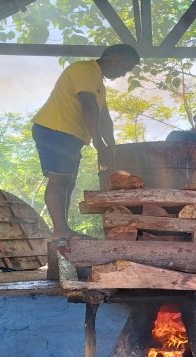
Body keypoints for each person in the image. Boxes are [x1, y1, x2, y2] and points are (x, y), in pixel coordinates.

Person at [32, 44, 140, 240]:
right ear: (115, 57)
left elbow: (104, 117)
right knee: (60, 181)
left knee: (68, 182)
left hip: (69, 135)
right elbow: (89, 106)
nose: (124, 73)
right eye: (126, 67)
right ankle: (60, 230)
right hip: (55, 129)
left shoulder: (98, 82)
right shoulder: (84, 69)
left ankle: (62, 229)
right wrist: (98, 141)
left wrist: (112, 147)